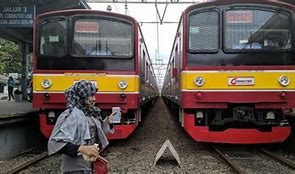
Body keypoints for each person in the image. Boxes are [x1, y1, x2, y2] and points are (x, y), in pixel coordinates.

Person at [48, 80, 116, 174]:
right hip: (75, 169)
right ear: (82, 97)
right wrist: (82, 148)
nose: (94, 99)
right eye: (91, 95)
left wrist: (108, 122)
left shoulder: (90, 114)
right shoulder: (71, 115)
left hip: (90, 167)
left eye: (94, 95)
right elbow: (56, 143)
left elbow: (98, 135)